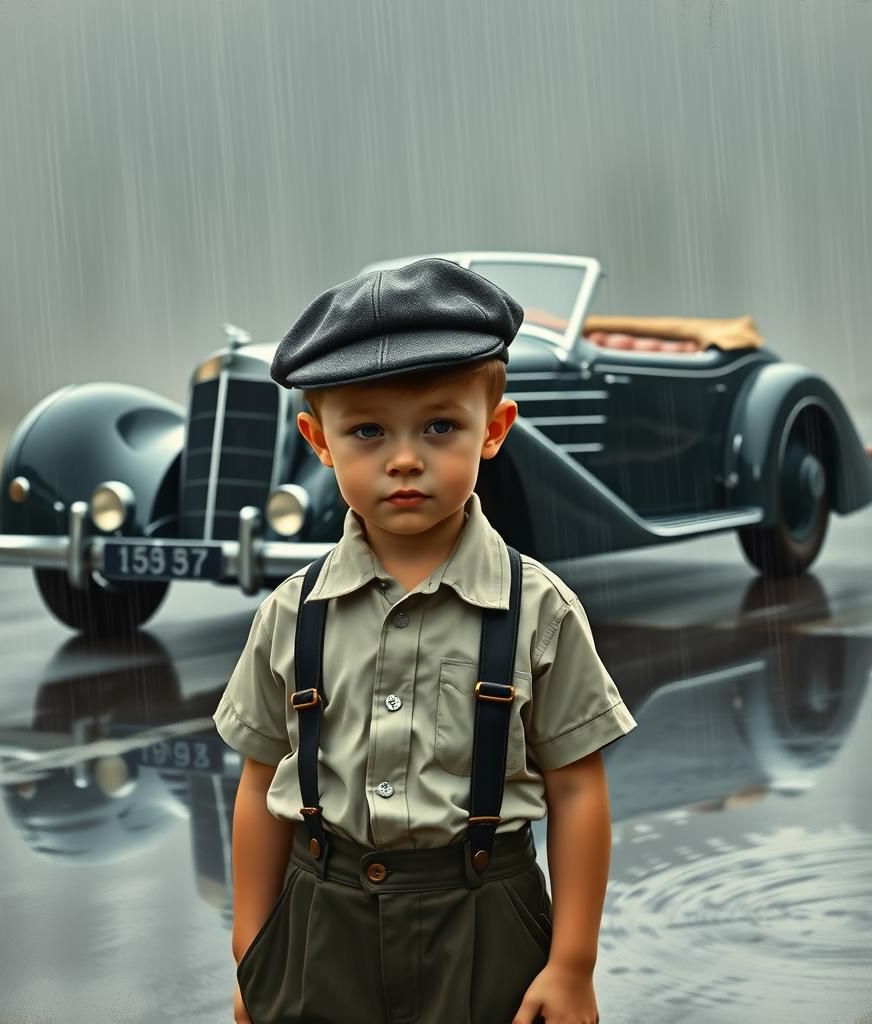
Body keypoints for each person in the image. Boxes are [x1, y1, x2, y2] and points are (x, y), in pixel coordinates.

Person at [213, 257, 638, 1024]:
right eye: (367, 430)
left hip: (485, 925)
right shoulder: (290, 612)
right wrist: (253, 950)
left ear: (495, 429)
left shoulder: (539, 610)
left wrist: (572, 965)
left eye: (439, 426)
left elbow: (577, 790)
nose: (404, 458)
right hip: (319, 923)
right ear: (318, 441)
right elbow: (258, 786)